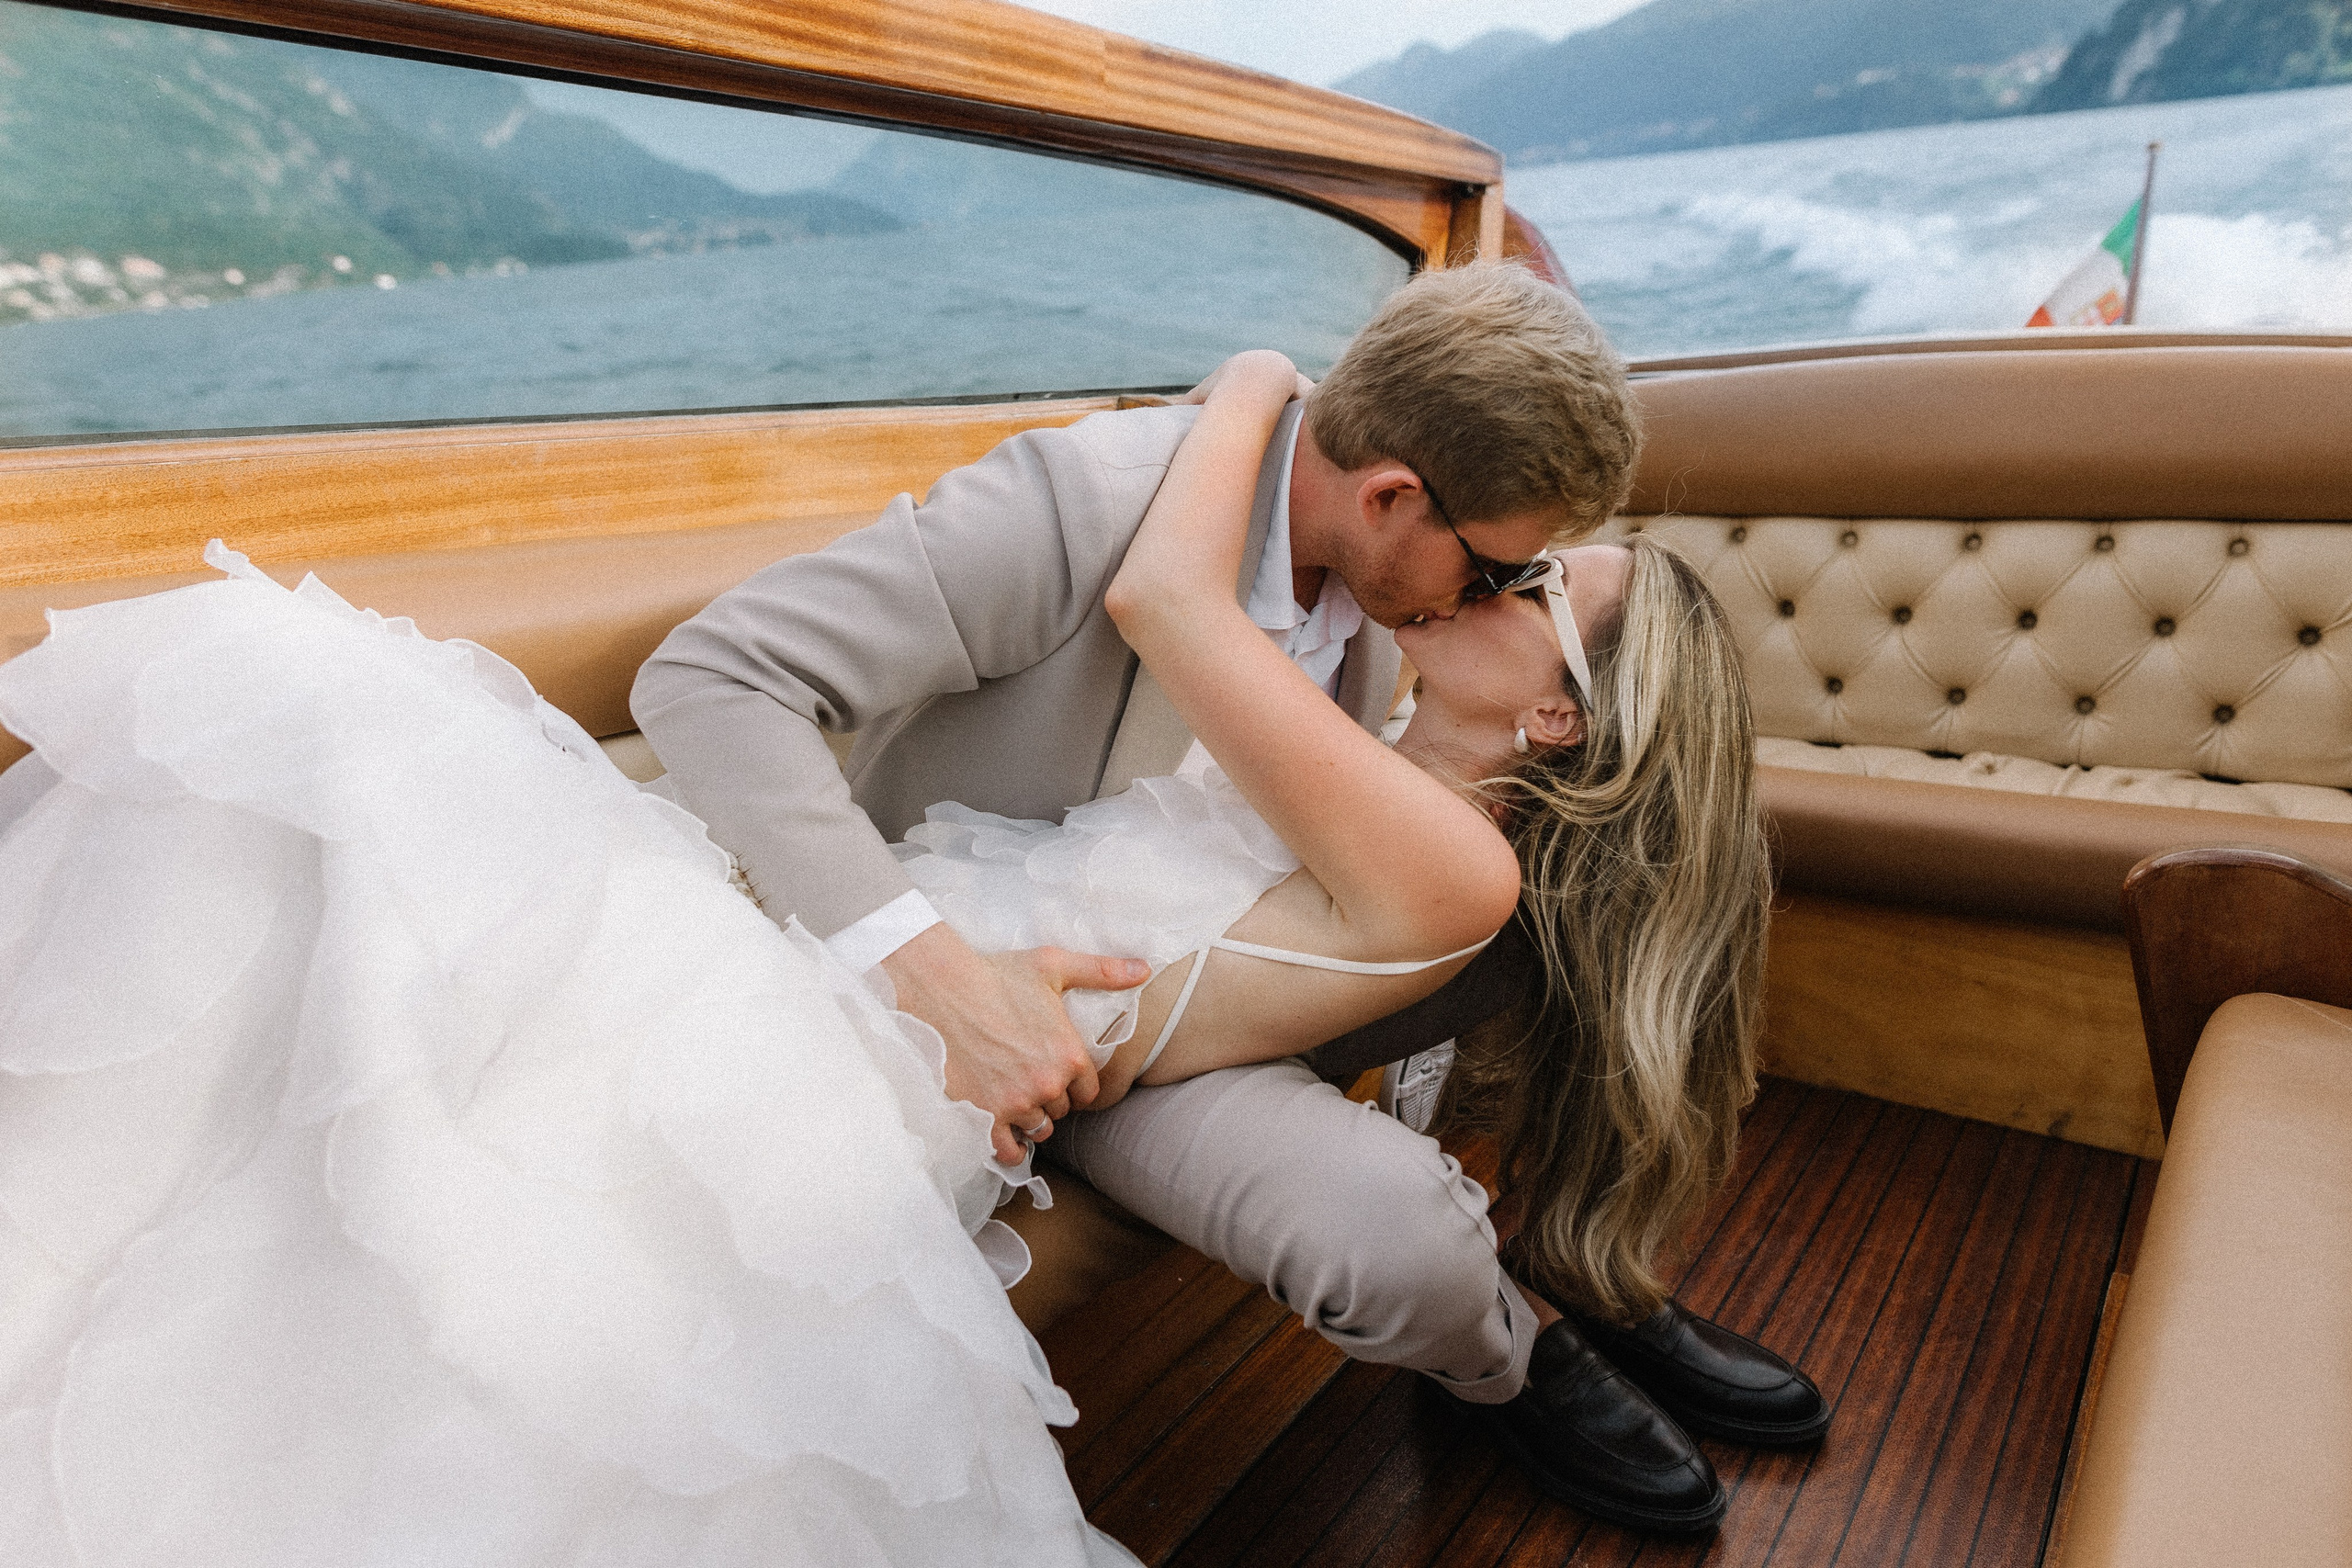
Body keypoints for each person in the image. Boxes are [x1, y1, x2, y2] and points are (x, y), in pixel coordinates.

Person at [635, 265, 1824, 1535]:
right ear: (1391, 498)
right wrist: (932, 973)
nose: (1476, 600)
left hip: (1187, 999)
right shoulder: (1092, 505)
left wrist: (1256, 373)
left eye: (1515, 590)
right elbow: (712, 676)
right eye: (1492, 574)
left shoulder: (1386, 608)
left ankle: (1579, 1263)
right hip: (981, 970)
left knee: (1588, 892)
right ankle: (1513, 1335)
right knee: (1409, 1200)